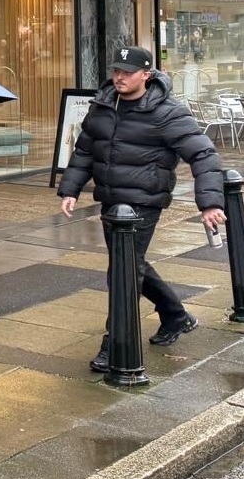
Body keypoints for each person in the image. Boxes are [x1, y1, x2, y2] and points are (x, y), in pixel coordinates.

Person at [59, 46, 223, 370]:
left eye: (127, 72)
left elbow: (203, 154)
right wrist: (70, 190)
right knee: (130, 264)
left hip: (144, 202)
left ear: (146, 75)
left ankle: (115, 344)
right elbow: (85, 149)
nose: (119, 77)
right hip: (111, 200)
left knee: (122, 272)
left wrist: (210, 203)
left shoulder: (167, 112)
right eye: (116, 71)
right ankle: (176, 316)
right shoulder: (103, 104)